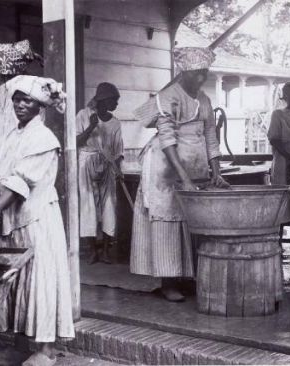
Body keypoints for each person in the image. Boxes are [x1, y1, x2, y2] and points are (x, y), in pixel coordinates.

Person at [0, 75, 74, 366]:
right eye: (17, 99)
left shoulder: (44, 138)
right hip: (11, 217)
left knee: (40, 277)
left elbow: (20, 182)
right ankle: (22, 346)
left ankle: (46, 349)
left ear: (40, 105)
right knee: (18, 278)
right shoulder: (10, 137)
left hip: (36, 218)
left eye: (27, 100)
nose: (20, 105)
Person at [130, 47, 230, 302]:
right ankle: (167, 281)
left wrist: (215, 171)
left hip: (193, 164)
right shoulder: (168, 97)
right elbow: (167, 140)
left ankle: (185, 276)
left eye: (205, 73)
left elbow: (210, 137)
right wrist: (182, 176)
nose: (202, 78)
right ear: (184, 73)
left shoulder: (205, 100)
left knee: (189, 220)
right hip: (166, 166)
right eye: (197, 73)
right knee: (167, 220)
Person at [76, 82, 123, 264]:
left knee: (109, 206)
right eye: (114, 100)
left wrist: (118, 169)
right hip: (86, 161)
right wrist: (90, 127)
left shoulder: (115, 123)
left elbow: (119, 150)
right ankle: (92, 251)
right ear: (103, 100)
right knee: (88, 205)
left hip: (108, 164)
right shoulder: (83, 115)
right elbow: (75, 141)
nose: (117, 104)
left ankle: (105, 251)